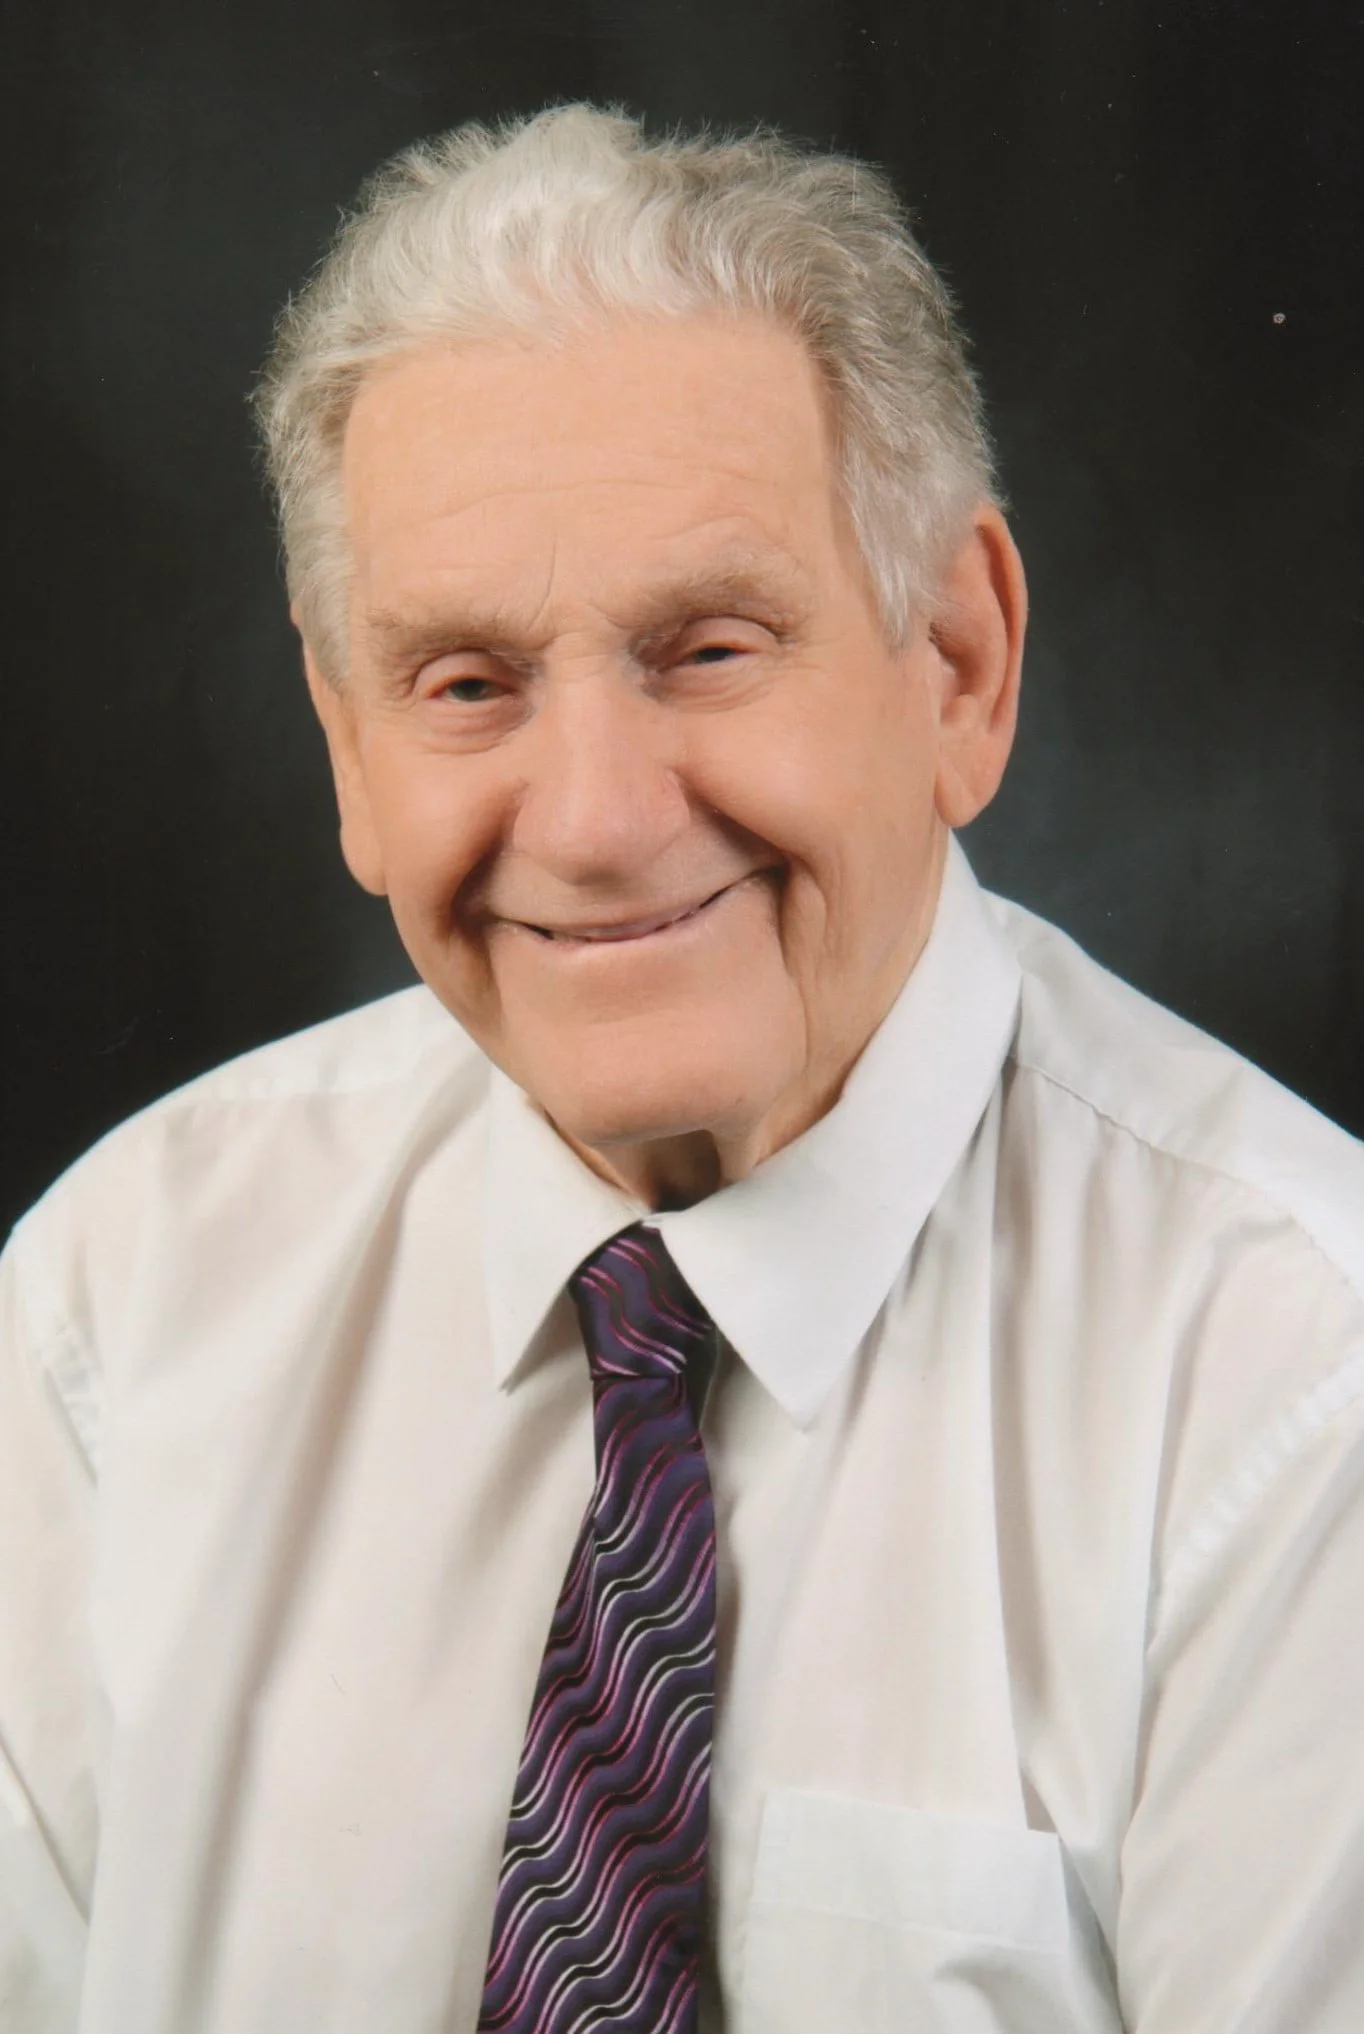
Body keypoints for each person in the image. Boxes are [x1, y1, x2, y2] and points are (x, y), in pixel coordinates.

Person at [1, 102, 1361, 2034]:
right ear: (349, 746)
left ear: (958, 663)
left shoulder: (1295, 1386)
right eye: (466, 684)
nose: (595, 820)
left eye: (708, 648)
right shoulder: (112, 1307)